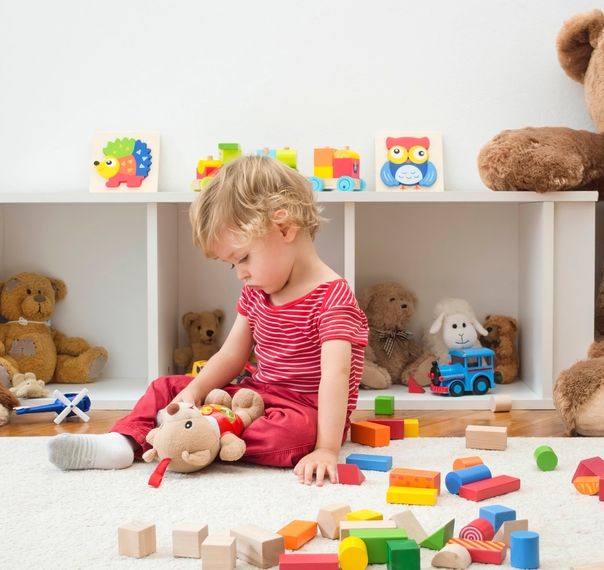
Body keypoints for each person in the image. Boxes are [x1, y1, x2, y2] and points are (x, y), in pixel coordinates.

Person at [47, 155, 368, 485]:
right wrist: (197, 391)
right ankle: (124, 443)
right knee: (166, 387)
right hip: (253, 396)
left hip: (304, 412)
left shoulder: (333, 298)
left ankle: (196, 434)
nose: (241, 273)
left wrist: (327, 449)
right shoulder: (258, 291)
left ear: (285, 228)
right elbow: (231, 356)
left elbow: (336, 376)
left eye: (243, 258)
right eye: (232, 264)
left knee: (291, 435)